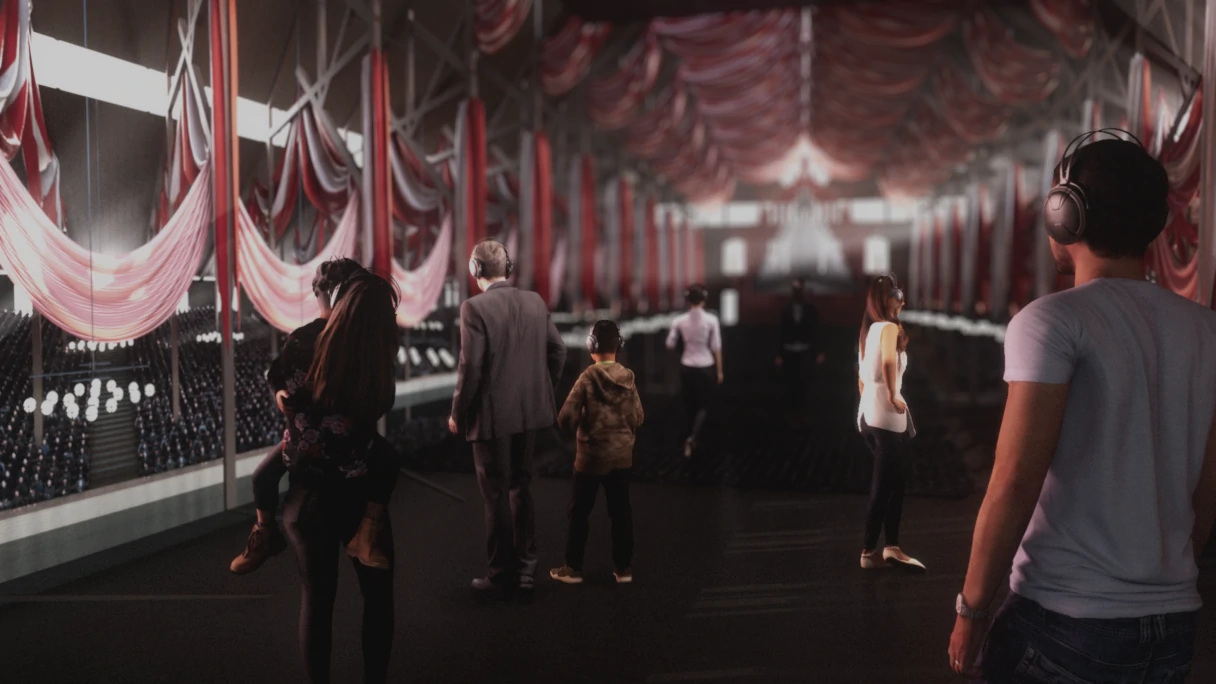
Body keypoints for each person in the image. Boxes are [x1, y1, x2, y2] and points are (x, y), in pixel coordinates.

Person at [948, 134, 1216, 681]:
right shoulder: (1204, 329)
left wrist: (971, 608)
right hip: (1171, 627)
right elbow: (1208, 482)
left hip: (1067, 622)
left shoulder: (1050, 322)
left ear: (1063, 214)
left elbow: (1014, 479)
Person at [230, 258, 398, 575]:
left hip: (305, 453)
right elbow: (379, 400)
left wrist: (284, 397)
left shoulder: (302, 339)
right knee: (377, 599)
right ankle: (369, 527)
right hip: (353, 456)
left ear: (321, 292)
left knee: (261, 477)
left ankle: (264, 531)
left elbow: (278, 377)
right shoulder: (366, 340)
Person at [280, 270, 401, 684]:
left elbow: (284, 396)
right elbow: (379, 407)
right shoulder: (372, 343)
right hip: (359, 489)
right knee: (379, 598)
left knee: (317, 601)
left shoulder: (299, 341)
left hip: (308, 491)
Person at [449, 239, 567, 599]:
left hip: (491, 418)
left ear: (475, 270)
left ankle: (501, 573)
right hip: (528, 413)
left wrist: (457, 413)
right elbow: (558, 350)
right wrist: (541, 389)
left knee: (496, 495)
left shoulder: (474, 308)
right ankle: (527, 568)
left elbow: (471, 368)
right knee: (521, 486)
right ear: (508, 267)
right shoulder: (535, 301)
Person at [550, 320, 644, 586]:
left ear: (591, 345)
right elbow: (638, 417)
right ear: (619, 346)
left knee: (579, 513)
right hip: (622, 457)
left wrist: (584, 418)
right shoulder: (628, 377)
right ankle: (624, 570)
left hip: (590, 458)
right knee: (621, 513)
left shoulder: (587, 377)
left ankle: (574, 569)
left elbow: (564, 418)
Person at [857, 273, 924, 572]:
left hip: (871, 413)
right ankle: (869, 550)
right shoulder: (887, 328)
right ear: (888, 300)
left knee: (894, 481)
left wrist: (870, 403)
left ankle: (891, 546)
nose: (903, 303)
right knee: (886, 483)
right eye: (899, 298)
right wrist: (894, 396)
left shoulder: (868, 330)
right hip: (886, 413)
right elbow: (886, 363)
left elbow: (860, 377)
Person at [666, 284, 723, 458]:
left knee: (689, 405)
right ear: (704, 300)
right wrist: (719, 371)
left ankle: (690, 436)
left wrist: (682, 350)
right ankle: (692, 437)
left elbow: (670, 343)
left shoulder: (679, 321)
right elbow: (716, 347)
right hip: (705, 365)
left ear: (688, 300)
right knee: (703, 405)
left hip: (687, 365)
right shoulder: (712, 320)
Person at [775, 278, 820, 411]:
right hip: (789, 349)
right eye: (795, 289)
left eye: (799, 289)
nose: (797, 292)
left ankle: (803, 412)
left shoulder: (811, 309)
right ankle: (792, 412)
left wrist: (819, 351)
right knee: (790, 383)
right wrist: (778, 354)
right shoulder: (786, 309)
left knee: (804, 382)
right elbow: (781, 332)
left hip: (805, 349)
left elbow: (816, 330)